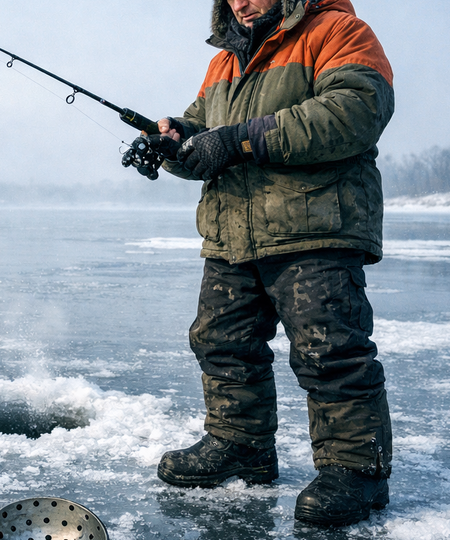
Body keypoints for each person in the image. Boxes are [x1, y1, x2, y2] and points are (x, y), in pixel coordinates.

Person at [124, 0, 394, 527]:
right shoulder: (225, 60)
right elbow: (205, 136)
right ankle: (240, 445)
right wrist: (173, 143)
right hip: (231, 233)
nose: (241, 3)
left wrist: (238, 139)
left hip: (314, 228)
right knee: (221, 342)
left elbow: (355, 112)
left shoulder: (337, 30)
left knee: (330, 352)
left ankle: (357, 471)